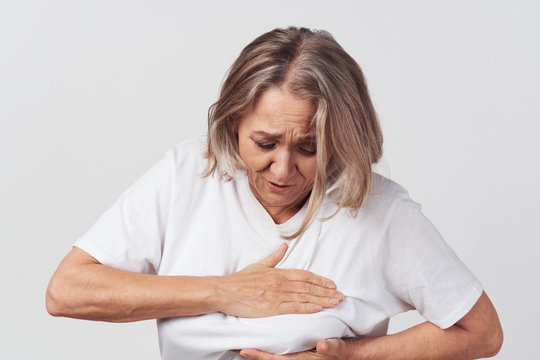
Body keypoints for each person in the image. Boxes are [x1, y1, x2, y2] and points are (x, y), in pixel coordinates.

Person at [46, 26, 503, 359]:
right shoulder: (187, 173)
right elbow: (66, 292)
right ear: (231, 125)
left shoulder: (382, 213)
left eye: (310, 148)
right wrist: (224, 292)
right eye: (264, 144)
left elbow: (481, 332)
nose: (282, 169)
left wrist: (355, 357)